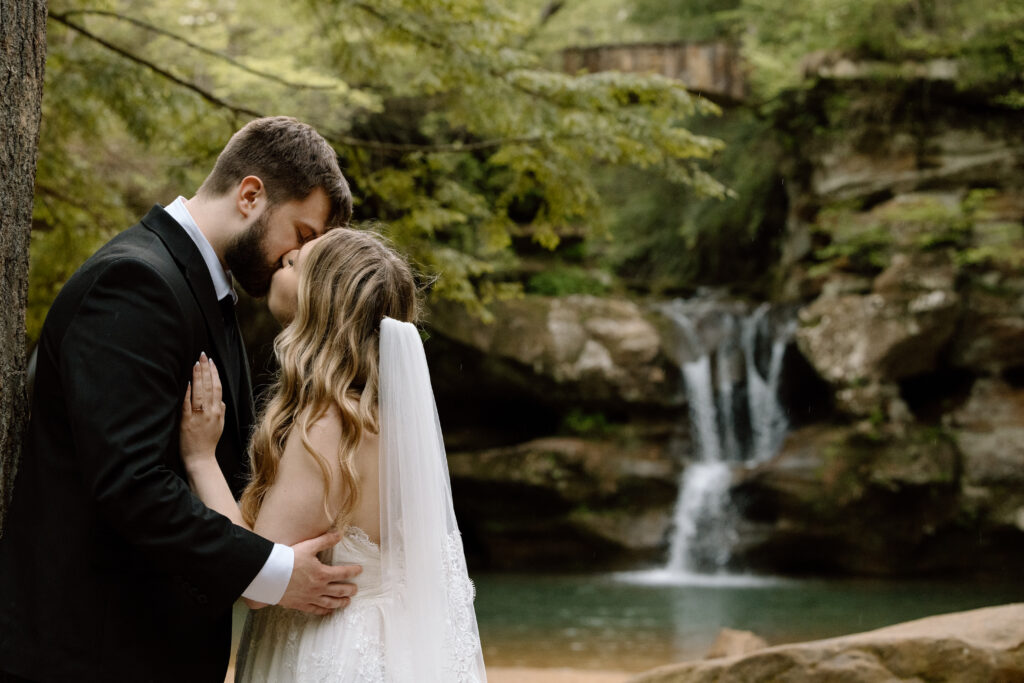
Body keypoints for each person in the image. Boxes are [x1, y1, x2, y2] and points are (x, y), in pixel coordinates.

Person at [0, 117, 363, 683]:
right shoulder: (135, 280)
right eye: (302, 233)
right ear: (250, 196)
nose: (302, 258)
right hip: (95, 654)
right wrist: (269, 573)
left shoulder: (205, 288)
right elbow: (131, 481)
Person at [179, 228, 487, 682]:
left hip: (334, 652)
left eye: (296, 263)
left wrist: (201, 457)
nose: (283, 261)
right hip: (399, 647)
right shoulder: (395, 421)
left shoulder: (328, 430)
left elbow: (257, 582)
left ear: (320, 302)